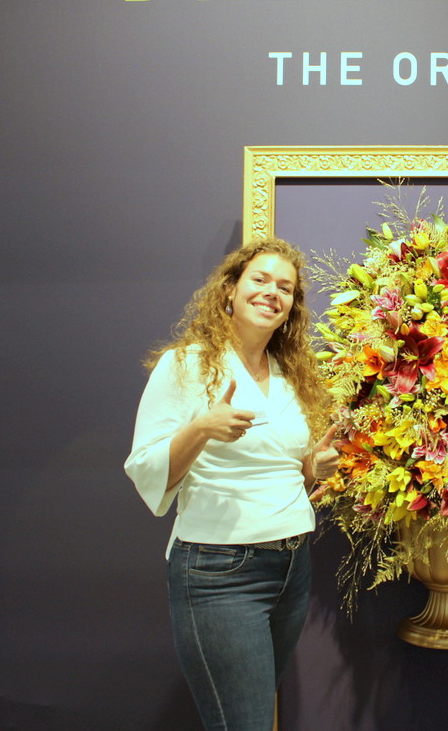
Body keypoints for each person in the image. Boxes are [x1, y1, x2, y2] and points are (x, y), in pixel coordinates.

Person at [125, 238, 338, 731]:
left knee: (255, 716)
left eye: (285, 287)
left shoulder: (292, 374)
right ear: (230, 290)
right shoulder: (185, 365)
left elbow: (283, 469)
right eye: (259, 279)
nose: (272, 293)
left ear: (292, 307)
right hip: (219, 570)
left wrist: (315, 468)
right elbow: (146, 469)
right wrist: (201, 428)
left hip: (292, 564)